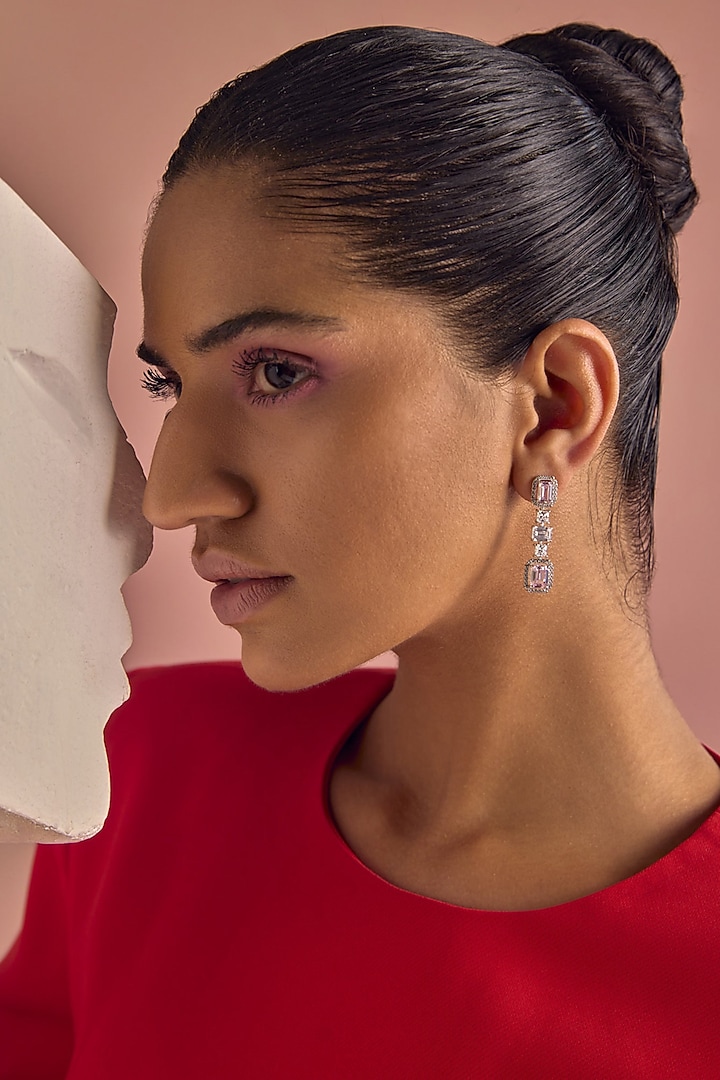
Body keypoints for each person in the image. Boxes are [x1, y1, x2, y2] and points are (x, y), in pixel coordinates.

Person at [2, 21, 719, 1078]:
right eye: (170, 386)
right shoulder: (112, 791)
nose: (168, 491)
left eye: (278, 372)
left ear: (555, 405)